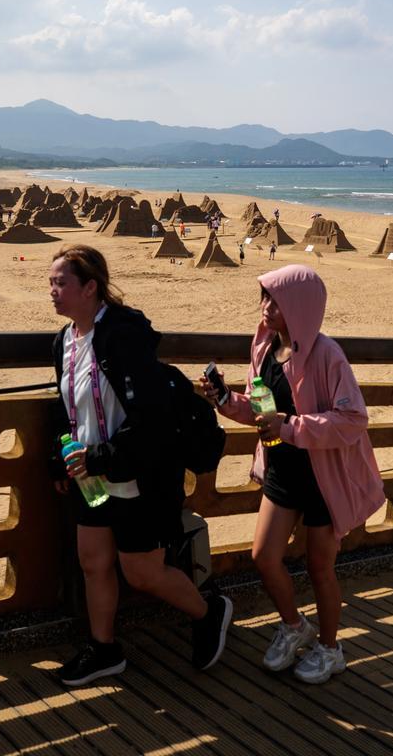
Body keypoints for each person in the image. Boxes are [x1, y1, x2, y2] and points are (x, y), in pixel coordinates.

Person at [48, 244, 233, 687]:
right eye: (51, 283)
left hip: (136, 474)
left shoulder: (124, 337)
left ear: (90, 288)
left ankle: (210, 612)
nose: (52, 292)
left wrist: (99, 458)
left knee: (142, 571)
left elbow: (151, 422)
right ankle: (104, 649)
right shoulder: (63, 342)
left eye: (62, 283)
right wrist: (63, 461)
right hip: (88, 475)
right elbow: (67, 408)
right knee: (93, 561)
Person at [201, 264, 384, 684]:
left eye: (275, 300)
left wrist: (291, 426)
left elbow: (354, 419)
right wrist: (227, 400)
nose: (265, 307)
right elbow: (259, 408)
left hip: (323, 478)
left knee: (320, 568)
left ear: (299, 307)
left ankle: (330, 648)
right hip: (282, 468)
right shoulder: (265, 348)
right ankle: (293, 626)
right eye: (263, 297)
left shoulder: (327, 355)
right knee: (264, 557)